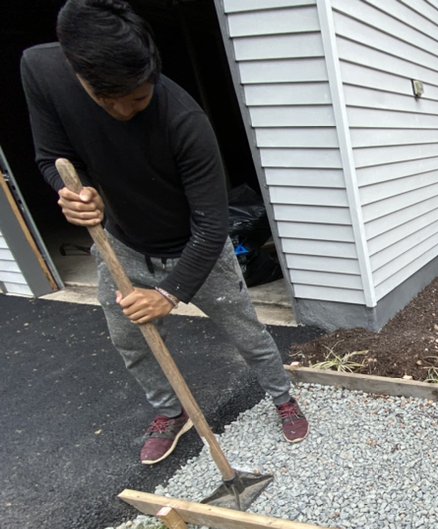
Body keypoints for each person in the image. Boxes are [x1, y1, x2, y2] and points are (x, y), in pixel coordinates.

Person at [21, 0, 309, 464]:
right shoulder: (42, 69)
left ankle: (282, 398)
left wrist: (171, 294)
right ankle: (170, 412)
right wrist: (72, 192)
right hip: (122, 245)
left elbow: (213, 223)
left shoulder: (185, 121)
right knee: (129, 338)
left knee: (247, 333)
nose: (124, 110)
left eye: (137, 97)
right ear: (78, 74)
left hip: (197, 249)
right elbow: (51, 156)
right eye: (107, 99)